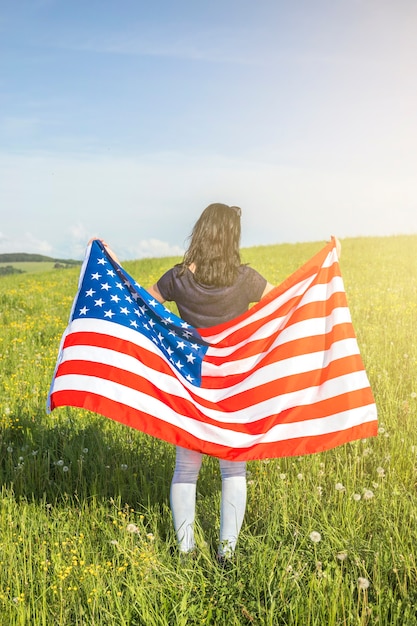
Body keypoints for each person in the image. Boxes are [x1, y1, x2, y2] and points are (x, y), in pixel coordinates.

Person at [145, 203, 275, 566]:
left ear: (201, 233)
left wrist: (105, 257)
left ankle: (186, 553)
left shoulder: (178, 278)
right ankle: (226, 555)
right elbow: (286, 303)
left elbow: (138, 302)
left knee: (186, 469)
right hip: (233, 385)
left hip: (192, 381)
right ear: (230, 236)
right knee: (233, 468)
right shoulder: (246, 278)